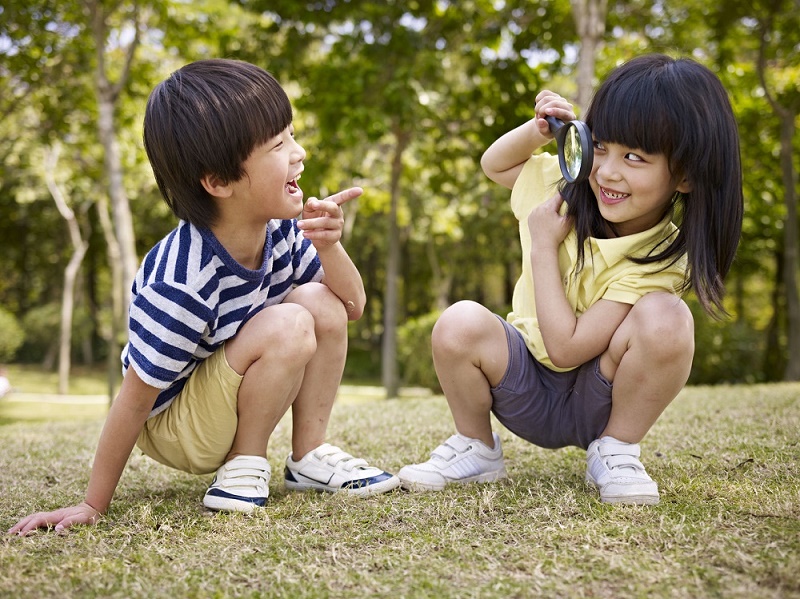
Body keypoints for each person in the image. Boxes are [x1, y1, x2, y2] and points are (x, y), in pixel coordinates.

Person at [9, 59, 400, 535]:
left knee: (318, 301)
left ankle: (309, 456)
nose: (299, 154)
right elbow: (135, 398)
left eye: (292, 135)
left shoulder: (283, 234)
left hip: (224, 391)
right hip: (177, 426)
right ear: (219, 181)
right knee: (290, 322)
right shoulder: (184, 278)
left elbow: (350, 308)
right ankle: (245, 461)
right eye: (279, 144)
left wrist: (330, 246)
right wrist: (92, 504)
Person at [398, 53, 743, 505]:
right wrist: (538, 130)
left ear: (684, 175)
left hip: (596, 398)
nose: (608, 171)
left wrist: (543, 247)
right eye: (600, 146)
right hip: (521, 385)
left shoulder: (662, 255)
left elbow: (567, 349)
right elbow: (495, 165)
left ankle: (616, 449)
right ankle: (476, 446)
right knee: (459, 321)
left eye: (635, 157)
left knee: (668, 319)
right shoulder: (562, 190)